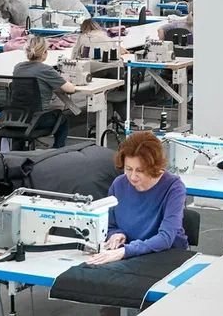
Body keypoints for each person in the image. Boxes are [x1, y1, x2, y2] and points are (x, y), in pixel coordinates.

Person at [87, 131, 188, 265]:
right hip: (132, 256)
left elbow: (166, 238)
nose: (133, 176)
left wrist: (125, 251)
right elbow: (111, 225)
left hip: (168, 256)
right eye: (128, 169)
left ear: (154, 166)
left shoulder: (174, 188)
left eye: (140, 170)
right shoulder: (118, 184)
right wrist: (116, 234)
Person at [13, 36, 76, 148]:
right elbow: (70, 89)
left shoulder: (18, 67)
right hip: (38, 119)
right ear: (44, 53)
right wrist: (65, 81)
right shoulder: (46, 70)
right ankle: (58, 150)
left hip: (16, 117)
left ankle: (17, 151)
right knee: (62, 119)